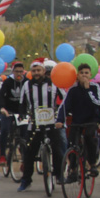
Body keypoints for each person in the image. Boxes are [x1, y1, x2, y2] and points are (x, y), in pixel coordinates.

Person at [17, 58, 65, 190]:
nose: (36, 73)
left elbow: (65, 100)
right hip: (34, 124)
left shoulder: (54, 83)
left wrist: (64, 115)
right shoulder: (27, 85)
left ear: (44, 71)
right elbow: (22, 103)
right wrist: (22, 114)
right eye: (34, 71)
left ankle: (59, 175)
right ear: (31, 72)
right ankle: (26, 180)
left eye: (39, 70)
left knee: (58, 148)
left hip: (52, 123)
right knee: (29, 152)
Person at [56, 62, 100, 178]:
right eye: (81, 73)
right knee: (72, 142)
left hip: (91, 119)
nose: (84, 75)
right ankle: (73, 168)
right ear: (77, 75)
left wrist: (88, 90)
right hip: (77, 120)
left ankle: (92, 164)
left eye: (86, 73)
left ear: (90, 75)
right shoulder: (73, 90)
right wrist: (60, 120)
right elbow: (64, 106)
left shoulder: (95, 87)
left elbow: (98, 104)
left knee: (89, 136)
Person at [0, 61, 25, 163]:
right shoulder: (8, 82)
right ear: (13, 71)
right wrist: (2, 108)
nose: (19, 74)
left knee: (24, 134)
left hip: (22, 111)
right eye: (17, 71)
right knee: (5, 130)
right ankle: (2, 155)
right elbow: (1, 96)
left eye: (21, 72)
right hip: (8, 110)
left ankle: (24, 157)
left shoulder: (27, 82)